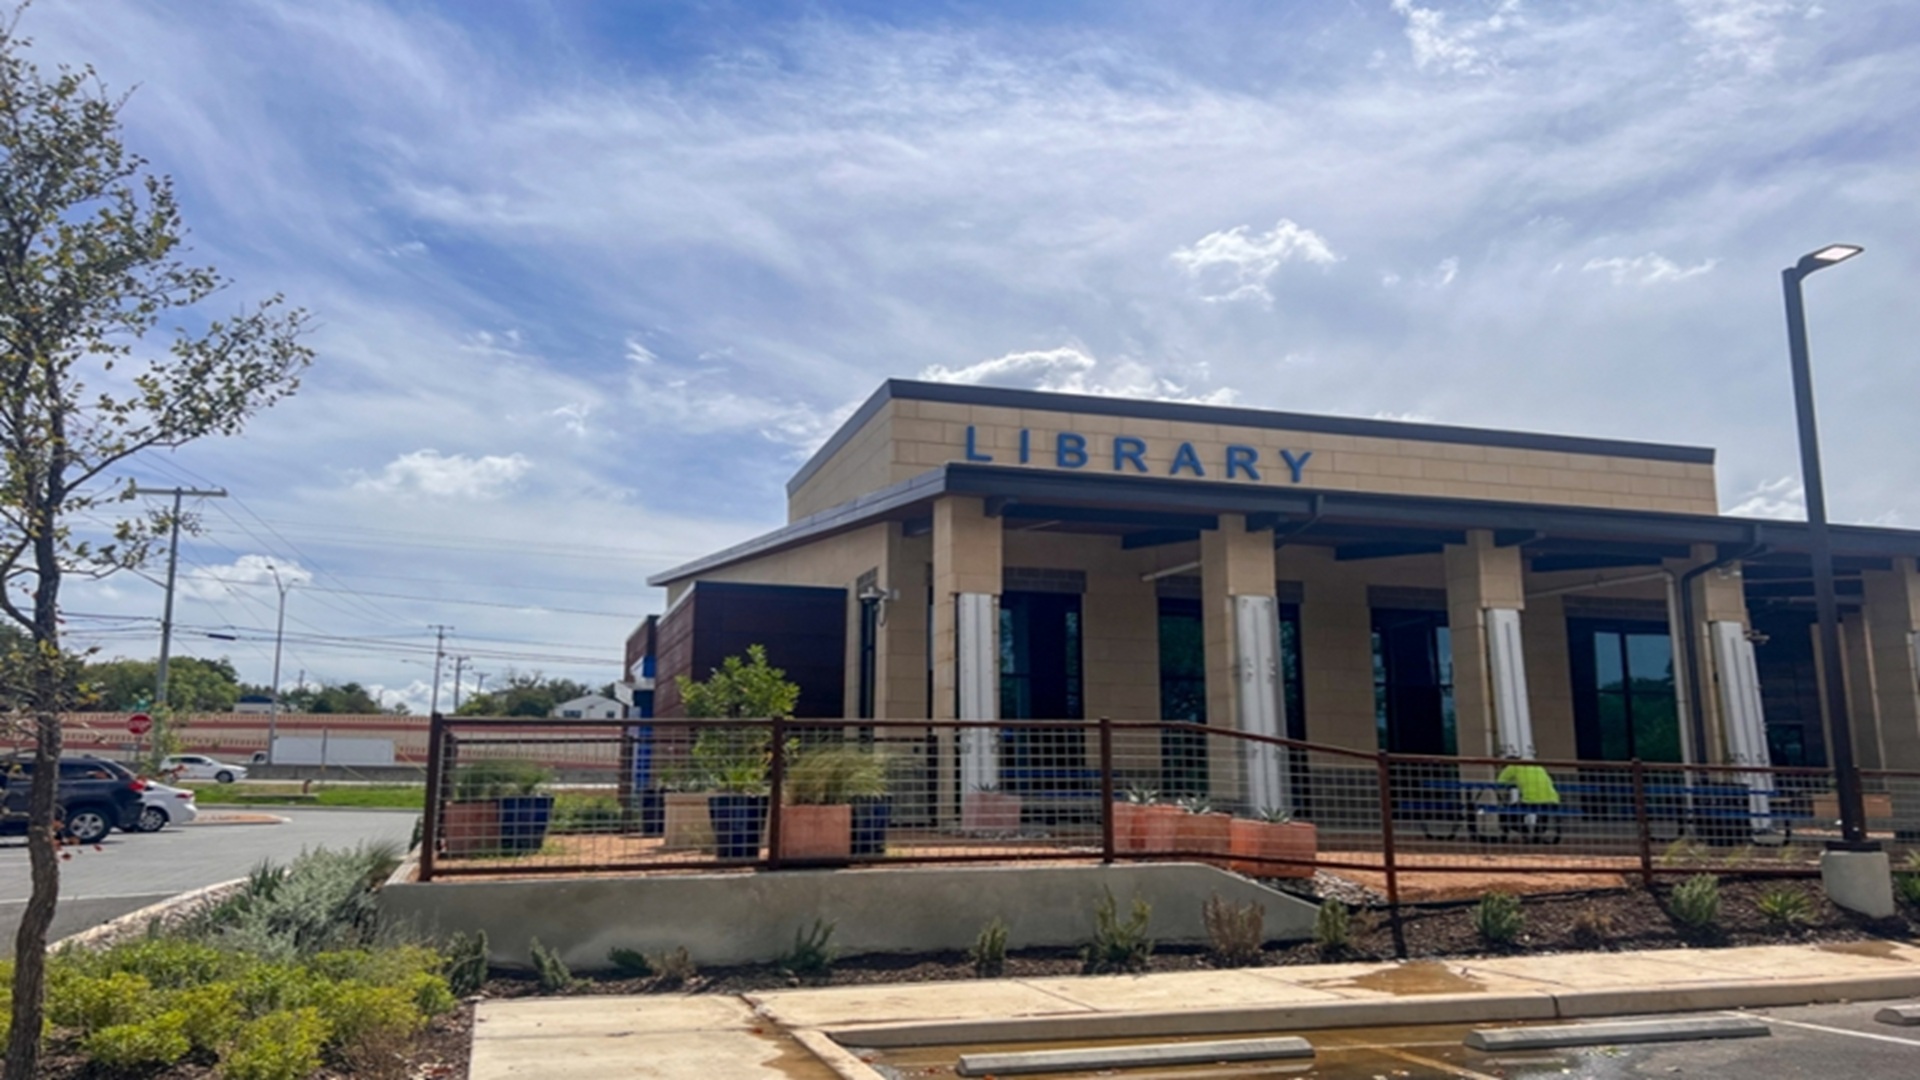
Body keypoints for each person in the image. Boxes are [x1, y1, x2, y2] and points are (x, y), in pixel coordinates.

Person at [1495, 755, 1561, 842]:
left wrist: (1512, 782)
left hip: (1531, 800)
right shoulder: (1537, 766)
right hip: (1553, 799)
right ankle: (1537, 836)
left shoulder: (1512, 767)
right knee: (1542, 813)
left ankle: (1524, 832)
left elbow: (1500, 783)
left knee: (1507, 813)